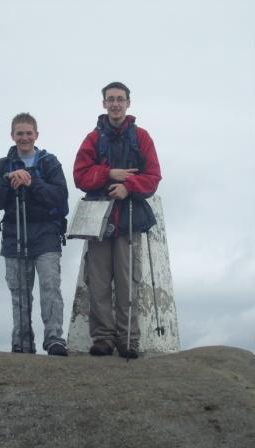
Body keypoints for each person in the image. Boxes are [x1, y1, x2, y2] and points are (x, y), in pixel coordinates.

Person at [73, 82, 161, 359]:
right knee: (98, 281)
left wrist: (128, 186)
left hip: (128, 220)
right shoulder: (92, 139)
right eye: (110, 99)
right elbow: (80, 176)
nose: (115, 104)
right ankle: (103, 338)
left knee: (127, 281)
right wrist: (110, 174)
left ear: (128, 103)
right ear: (103, 104)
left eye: (119, 99)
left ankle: (128, 339)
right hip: (97, 221)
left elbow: (154, 177)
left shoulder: (142, 138)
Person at [0, 113, 68, 356]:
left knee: (50, 286)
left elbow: (59, 195)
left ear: (36, 135)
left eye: (28, 133)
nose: (24, 137)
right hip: (14, 234)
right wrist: (7, 178)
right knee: (19, 291)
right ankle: (21, 342)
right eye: (19, 133)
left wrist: (31, 182)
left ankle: (54, 339)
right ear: (12, 136)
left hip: (46, 233)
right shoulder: (3, 165)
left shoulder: (49, 162)